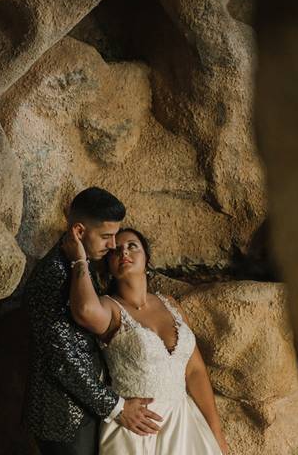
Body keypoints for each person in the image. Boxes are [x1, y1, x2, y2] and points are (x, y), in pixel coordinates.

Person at [63, 226, 228, 454]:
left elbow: (195, 371)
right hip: (136, 429)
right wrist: (79, 260)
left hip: (185, 425)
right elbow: (84, 309)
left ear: (147, 257)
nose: (124, 253)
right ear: (109, 265)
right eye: (115, 251)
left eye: (132, 246)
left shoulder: (170, 304)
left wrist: (215, 431)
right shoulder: (110, 307)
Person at [24, 188, 162, 455]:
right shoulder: (53, 275)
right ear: (78, 231)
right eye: (106, 237)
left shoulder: (81, 266)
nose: (113, 246)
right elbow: (63, 359)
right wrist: (117, 407)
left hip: (86, 410)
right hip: (63, 418)